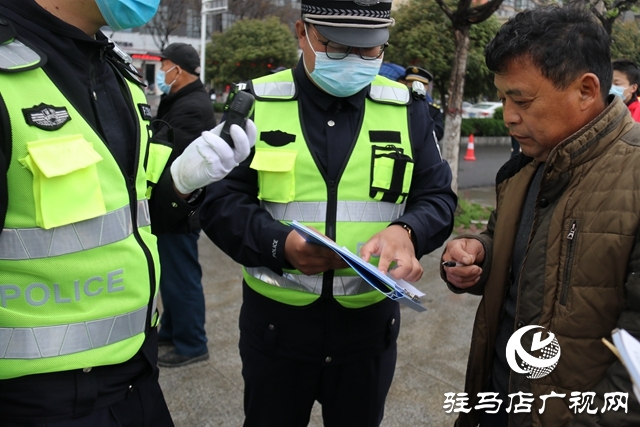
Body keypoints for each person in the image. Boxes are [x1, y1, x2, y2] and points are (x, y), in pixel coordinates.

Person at [200, 0, 457, 426]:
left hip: (367, 331)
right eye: (337, 47)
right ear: (302, 32)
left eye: (370, 50)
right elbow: (221, 200)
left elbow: (438, 197)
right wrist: (278, 244)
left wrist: (407, 231)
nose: (354, 60)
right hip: (277, 330)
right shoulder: (256, 102)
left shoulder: (406, 107)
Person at [0, 0, 255, 425]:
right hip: (36, 398)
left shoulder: (115, 69)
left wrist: (182, 182)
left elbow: (131, 212)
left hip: (136, 375)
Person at [441, 5, 640, 426]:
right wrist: (479, 254)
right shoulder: (528, 164)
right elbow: (518, 251)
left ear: (585, 90)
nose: (508, 115)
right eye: (503, 98)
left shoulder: (633, 175)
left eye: (522, 100)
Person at [152, 43, 216, 367]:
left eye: (163, 66)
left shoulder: (192, 105)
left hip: (181, 203)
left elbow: (169, 151)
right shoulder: (177, 98)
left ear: (177, 69)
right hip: (169, 203)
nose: (161, 73)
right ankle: (173, 331)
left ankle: (192, 343)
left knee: (181, 276)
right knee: (170, 274)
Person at [402, 66, 444, 141]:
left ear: (426, 87)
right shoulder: (398, 105)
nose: (413, 87)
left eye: (419, 84)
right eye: (410, 83)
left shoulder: (433, 110)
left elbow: (438, 133)